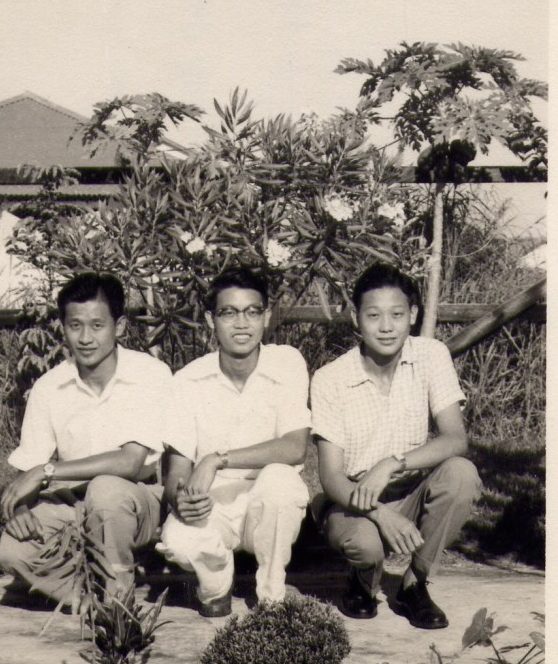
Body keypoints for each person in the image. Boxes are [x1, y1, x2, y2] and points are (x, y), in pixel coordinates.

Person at [311, 262, 481, 629]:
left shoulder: (431, 355)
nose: (386, 327)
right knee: (366, 546)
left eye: (397, 314)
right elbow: (331, 478)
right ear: (355, 318)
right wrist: (379, 513)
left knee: (461, 474)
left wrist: (391, 463)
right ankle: (362, 580)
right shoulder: (329, 379)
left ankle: (414, 584)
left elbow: (456, 439)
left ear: (413, 315)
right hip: (353, 501)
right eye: (373, 315)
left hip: (410, 489)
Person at [0, 272, 172, 604]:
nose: (86, 338)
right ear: (63, 327)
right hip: (72, 505)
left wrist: (47, 471)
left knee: (106, 491)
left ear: (119, 326)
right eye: (75, 326)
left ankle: (118, 605)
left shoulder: (149, 374)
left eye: (97, 325)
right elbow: (28, 469)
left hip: (137, 502)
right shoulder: (49, 386)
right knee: (12, 552)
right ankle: (91, 596)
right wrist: (20, 509)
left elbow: (130, 462)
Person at [157, 265, 311, 617]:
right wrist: (181, 498)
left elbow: (295, 447)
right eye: (228, 313)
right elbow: (177, 471)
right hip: (215, 504)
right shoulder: (188, 380)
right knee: (177, 539)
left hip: (267, 506)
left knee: (281, 481)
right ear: (210, 320)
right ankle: (216, 585)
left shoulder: (287, 362)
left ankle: (272, 594)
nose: (242, 324)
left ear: (266, 316)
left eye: (252, 312)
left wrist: (216, 458)